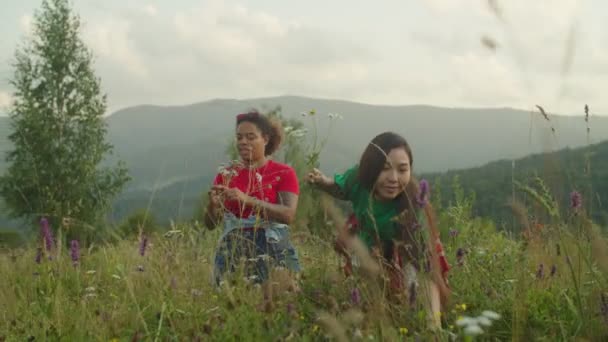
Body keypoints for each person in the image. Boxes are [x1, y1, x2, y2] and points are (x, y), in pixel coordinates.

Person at [306, 131, 450, 329]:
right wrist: (323, 182)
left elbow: (426, 273)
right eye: (384, 169)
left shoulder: (415, 207)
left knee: (412, 291)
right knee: (365, 298)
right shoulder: (358, 180)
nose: (393, 178)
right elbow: (341, 188)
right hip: (368, 246)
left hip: (405, 251)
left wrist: (434, 324)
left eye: (402, 169)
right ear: (369, 169)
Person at [204, 110, 301, 310]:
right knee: (234, 308)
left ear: (265, 139)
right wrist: (213, 206)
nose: (243, 142)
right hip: (232, 254)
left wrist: (247, 200)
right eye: (239, 137)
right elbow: (211, 225)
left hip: (272, 252)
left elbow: (288, 215)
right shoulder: (227, 174)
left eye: (251, 137)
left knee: (276, 307)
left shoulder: (283, 172)